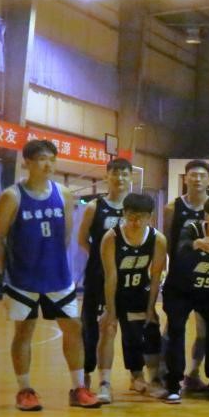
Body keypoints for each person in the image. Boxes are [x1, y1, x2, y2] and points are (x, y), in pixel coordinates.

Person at [0, 140, 95, 410]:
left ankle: (78, 388)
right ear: (27, 162)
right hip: (22, 279)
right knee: (24, 331)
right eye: (41, 159)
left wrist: (54, 261)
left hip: (57, 276)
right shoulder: (12, 196)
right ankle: (25, 390)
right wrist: (3, 271)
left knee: (73, 328)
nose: (48, 164)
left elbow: (66, 235)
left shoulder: (63, 193)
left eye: (52, 159)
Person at [162, 195, 209, 403]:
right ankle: (173, 383)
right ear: (206, 215)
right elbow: (180, 248)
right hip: (181, 291)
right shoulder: (192, 230)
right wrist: (195, 244)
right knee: (176, 330)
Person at [95, 193, 166, 403]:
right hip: (113, 291)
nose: (136, 222)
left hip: (138, 291)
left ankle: (147, 378)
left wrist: (151, 307)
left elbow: (155, 275)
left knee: (147, 330)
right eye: (131, 216)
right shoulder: (112, 237)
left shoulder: (157, 239)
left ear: (150, 217)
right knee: (108, 329)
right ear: (124, 214)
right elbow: (110, 276)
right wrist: (110, 310)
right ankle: (104, 383)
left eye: (141, 217)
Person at [78, 157, 132, 388]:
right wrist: (101, 259)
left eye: (124, 173)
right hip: (97, 276)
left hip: (127, 275)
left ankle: (135, 374)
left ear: (131, 177)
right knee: (91, 325)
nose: (119, 178)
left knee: (128, 326)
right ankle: (86, 371)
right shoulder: (95, 206)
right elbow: (82, 239)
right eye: (115, 173)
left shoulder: (135, 207)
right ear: (106, 176)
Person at [165, 159, 209, 394]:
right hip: (180, 278)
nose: (197, 179)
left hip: (207, 278)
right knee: (173, 328)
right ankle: (166, 374)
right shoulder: (172, 207)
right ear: (186, 178)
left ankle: (193, 372)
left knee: (204, 330)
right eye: (193, 175)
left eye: (202, 175)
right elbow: (167, 242)